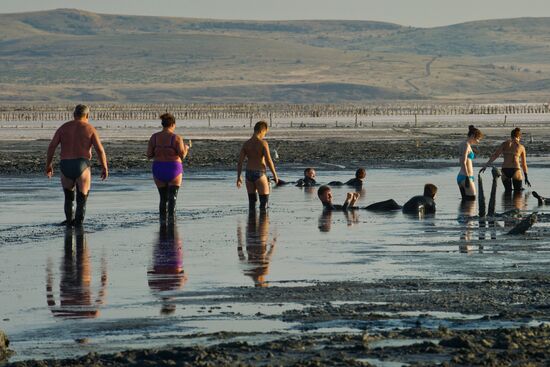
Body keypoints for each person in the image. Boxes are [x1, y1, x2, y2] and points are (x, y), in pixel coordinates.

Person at [45, 104, 108, 225]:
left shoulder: (63, 128)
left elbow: (52, 146)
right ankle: (79, 229)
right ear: (87, 115)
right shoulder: (90, 129)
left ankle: (69, 224)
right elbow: (99, 150)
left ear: (74, 115)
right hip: (82, 164)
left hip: (65, 164)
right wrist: (104, 167)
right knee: (82, 199)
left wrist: (49, 164)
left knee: (68, 198)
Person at [147, 113, 189, 223]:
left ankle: (162, 224)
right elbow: (182, 155)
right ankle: (172, 223)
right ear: (173, 124)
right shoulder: (176, 138)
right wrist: (186, 148)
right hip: (173, 168)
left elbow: (149, 155)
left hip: (158, 168)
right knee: (172, 198)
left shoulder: (154, 137)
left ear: (163, 124)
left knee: (163, 198)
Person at [237, 121, 279, 210]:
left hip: (248, 174)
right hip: (260, 173)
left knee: (252, 203)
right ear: (262, 131)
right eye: (265, 133)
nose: (264, 135)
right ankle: (263, 223)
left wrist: (239, 177)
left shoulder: (246, 144)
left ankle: (251, 223)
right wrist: (275, 175)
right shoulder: (263, 143)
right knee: (264, 204)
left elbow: (240, 162)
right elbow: (268, 161)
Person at [480, 127, 531, 192]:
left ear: (511, 136)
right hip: (516, 169)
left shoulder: (504, 144)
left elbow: (495, 155)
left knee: (507, 193)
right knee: (518, 193)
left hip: (505, 170)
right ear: (519, 137)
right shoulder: (521, 147)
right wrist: (526, 177)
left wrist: (486, 165)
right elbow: (524, 164)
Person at [317, 185, 402, 212]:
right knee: (391, 203)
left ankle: (404, 208)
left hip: (364, 209)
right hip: (366, 210)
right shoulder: (327, 208)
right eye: (328, 194)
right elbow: (344, 210)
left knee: (391, 203)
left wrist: (354, 200)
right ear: (321, 197)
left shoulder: (329, 206)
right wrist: (348, 199)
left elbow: (348, 209)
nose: (331, 196)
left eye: (331, 194)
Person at [457, 125, 483, 201]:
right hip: (465, 177)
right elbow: (463, 162)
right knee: (472, 200)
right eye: (478, 139)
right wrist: (467, 177)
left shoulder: (463, 144)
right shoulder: (466, 145)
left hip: (462, 176)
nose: (478, 141)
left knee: (465, 203)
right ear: (472, 136)